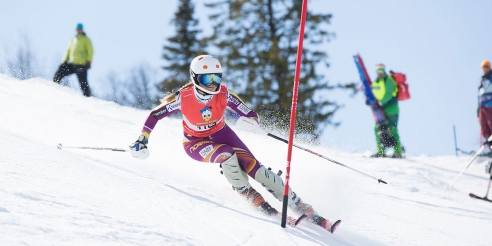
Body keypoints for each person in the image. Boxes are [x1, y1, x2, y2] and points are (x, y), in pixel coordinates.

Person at [129, 55, 341, 232]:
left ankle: (299, 205)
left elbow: (248, 112)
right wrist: (142, 140)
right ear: (195, 79)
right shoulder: (183, 98)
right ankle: (248, 193)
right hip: (195, 143)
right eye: (207, 79)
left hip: (222, 133)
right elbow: (155, 115)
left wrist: (250, 121)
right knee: (227, 155)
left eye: (216, 77)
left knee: (257, 169)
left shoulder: (224, 93)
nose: (213, 83)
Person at [370, 64, 403, 158]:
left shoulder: (388, 80)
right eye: (378, 71)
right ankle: (381, 151)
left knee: (392, 128)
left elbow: (388, 93)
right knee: (378, 128)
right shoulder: (376, 82)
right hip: (381, 108)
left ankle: (398, 152)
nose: (379, 73)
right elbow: (372, 92)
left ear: (384, 70)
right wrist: (369, 100)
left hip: (391, 107)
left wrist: (379, 103)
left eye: (381, 71)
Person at [53, 23, 94, 97]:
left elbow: (90, 51)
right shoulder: (73, 40)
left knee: (83, 82)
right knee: (60, 71)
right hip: (72, 64)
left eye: (80, 29)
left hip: (81, 65)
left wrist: (89, 61)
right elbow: (68, 50)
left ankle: (88, 97)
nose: (79, 31)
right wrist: (64, 60)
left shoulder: (86, 39)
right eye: (77, 29)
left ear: (82, 30)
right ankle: (54, 84)